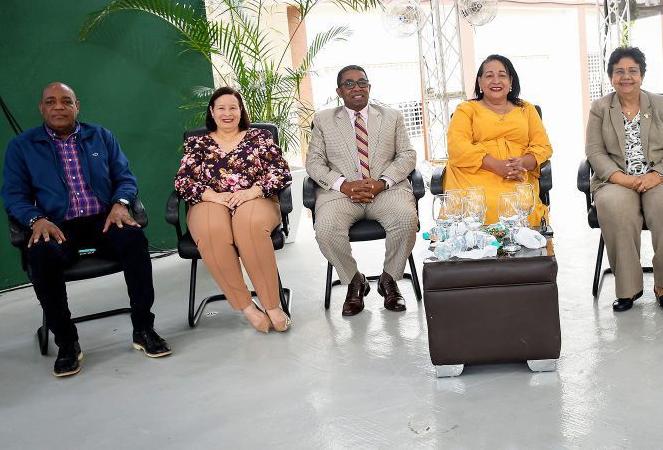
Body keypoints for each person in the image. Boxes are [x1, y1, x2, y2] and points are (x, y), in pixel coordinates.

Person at [1, 82, 171, 377]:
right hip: (57, 226)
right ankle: (67, 342)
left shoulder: (100, 136)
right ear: (41, 108)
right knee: (41, 255)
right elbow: (14, 195)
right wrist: (35, 219)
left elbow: (125, 178)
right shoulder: (22, 146)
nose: (59, 107)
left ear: (76, 106)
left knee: (133, 239)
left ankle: (144, 329)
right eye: (51, 102)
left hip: (103, 221)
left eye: (66, 101)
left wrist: (120, 204)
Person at [174, 87, 292, 333]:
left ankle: (272, 306)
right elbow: (183, 182)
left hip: (255, 198)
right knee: (211, 230)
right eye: (221, 108)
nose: (227, 113)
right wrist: (214, 197)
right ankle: (247, 307)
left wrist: (252, 191)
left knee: (248, 225)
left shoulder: (259, 137)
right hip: (210, 201)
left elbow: (280, 172)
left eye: (233, 108)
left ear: (240, 111)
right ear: (212, 112)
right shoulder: (197, 144)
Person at [585, 47, 663, 312]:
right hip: (616, 181)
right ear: (611, 77)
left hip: (662, 178)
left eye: (632, 70)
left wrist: (657, 175)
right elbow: (594, 152)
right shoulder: (600, 108)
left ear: (642, 75)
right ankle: (628, 288)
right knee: (614, 206)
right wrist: (623, 179)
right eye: (619, 71)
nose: (626, 76)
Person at [306, 65, 418, 316]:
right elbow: (314, 163)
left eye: (362, 82)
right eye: (349, 84)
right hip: (341, 194)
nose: (356, 88)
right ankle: (355, 280)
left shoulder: (392, 116)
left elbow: (407, 155)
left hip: (385, 191)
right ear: (339, 91)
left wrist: (383, 182)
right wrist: (344, 185)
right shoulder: (323, 120)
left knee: (405, 219)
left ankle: (389, 279)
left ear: (369, 87)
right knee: (325, 229)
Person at [443, 54, 552, 226]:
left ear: (511, 81)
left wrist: (522, 163)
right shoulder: (466, 109)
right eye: (489, 76)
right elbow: (457, 146)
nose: (496, 81)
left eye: (502, 75)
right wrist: (497, 166)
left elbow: (542, 145)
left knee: (520, 206)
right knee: (478, 205)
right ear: (480, 82)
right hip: (474, 176)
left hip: (517, 175)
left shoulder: (526, 109)